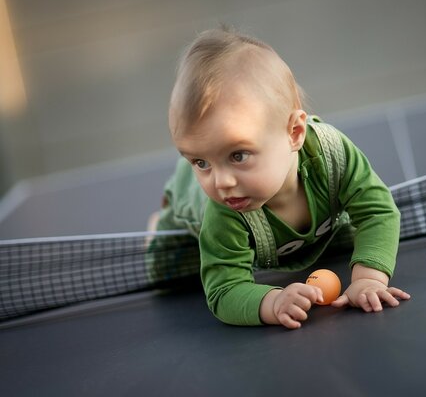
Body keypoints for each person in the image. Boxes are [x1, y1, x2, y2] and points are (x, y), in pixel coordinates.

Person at [148, 26, 410, 329]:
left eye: (238, 155)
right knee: (166, 275)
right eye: (200, 161)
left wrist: (367, 280)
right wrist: (271, 301)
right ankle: (160, 219)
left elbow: (377, 211)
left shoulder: (333, 156)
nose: (221, 183)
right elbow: (224, 290)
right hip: (189, 206)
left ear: (294, 133)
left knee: (342, 242)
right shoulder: (222, 208)